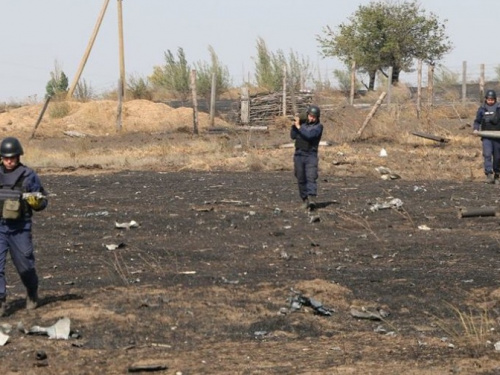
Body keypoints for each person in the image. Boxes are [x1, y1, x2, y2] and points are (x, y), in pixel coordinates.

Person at [0, 137, 47, 317]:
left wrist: (37, 203)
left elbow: (43, 202)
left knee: (25, 266)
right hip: (0, 227)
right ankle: (1, 301)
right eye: (6, 157)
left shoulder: (29, 175)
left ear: (19, 156)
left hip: (20, 228)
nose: (9, 161)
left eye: (13, 157)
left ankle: (32, 291)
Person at [290, 105, 324, 210]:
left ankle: (312, 199)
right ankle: (304, 199)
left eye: (314, 117)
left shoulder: (318, 127)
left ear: (317, 117)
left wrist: (299, 127)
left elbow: (309, 135)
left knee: (311, 176)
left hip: (310, 155)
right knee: (300, 177)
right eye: (310, 116)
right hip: (299, 154)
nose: (312, 118)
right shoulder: (302, 124)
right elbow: (293, 136)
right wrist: (294, 125)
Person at [473, 89, 500, 184]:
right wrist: (476, 129)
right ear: (486, 99)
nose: (490, 101)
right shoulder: (482, 109)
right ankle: (489, 174)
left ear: (495, 99)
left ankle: (497, 174)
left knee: (497, 157)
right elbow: (477, 121)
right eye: (489, 99)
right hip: (486, 137)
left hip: (497, 138)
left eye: (492, 99)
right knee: (487, 154)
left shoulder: (499, 108)